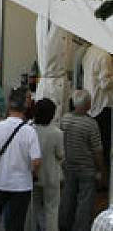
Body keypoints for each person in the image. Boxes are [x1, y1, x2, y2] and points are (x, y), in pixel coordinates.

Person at [0, 87, 42, 231]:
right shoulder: (30, 131)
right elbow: (36, 160)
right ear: (25, 108)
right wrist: (34, 172)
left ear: (9, 106)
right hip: (21, 184)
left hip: (0, 181)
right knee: (16, 222)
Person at [58, 90, 103, 231]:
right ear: (88, 105)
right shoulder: (91, 124)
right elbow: (97, 151)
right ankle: (81, 228)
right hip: (87, 169)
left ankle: (64, 224)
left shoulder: (65, 119)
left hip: (68, 165)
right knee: (85, 202)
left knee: (67, 197)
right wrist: (101, 169)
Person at [30, 98, 63, 231]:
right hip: (51, 175)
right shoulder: (57, 133)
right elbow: (60, 155)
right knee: (52, 209)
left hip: (33, 174)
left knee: (33, 207)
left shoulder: (29, 129)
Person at [82, 44, 113, 173]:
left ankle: (95, 175)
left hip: (91, 104)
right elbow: (105, 83)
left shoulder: (88, 52)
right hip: (103, 105)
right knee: (105, 144)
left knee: (92, 143)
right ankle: (104, 177)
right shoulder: (104, 55)